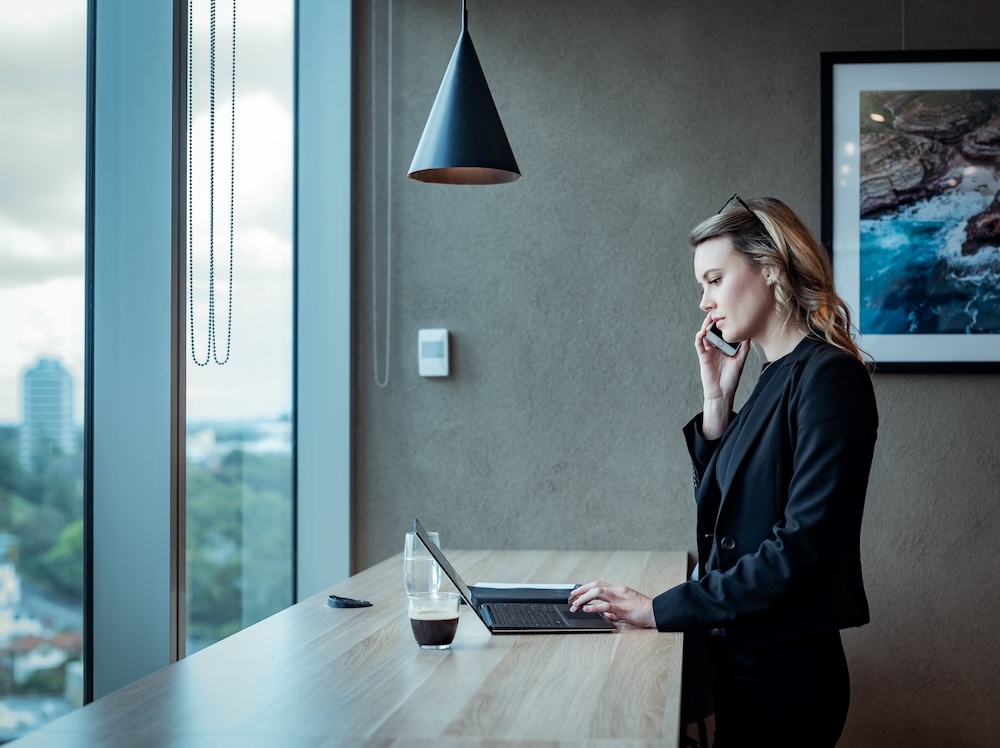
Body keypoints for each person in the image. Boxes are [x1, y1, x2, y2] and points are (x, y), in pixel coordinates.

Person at [568, 195, 878, 747]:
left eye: (713, 279)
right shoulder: (772, 378)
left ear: (770, 268)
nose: (705, 301)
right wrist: (717, 404)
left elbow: (799, 548)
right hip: (742, 660)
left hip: (787, 680)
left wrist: (660, 609)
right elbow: (728, 523)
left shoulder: (829, 378)